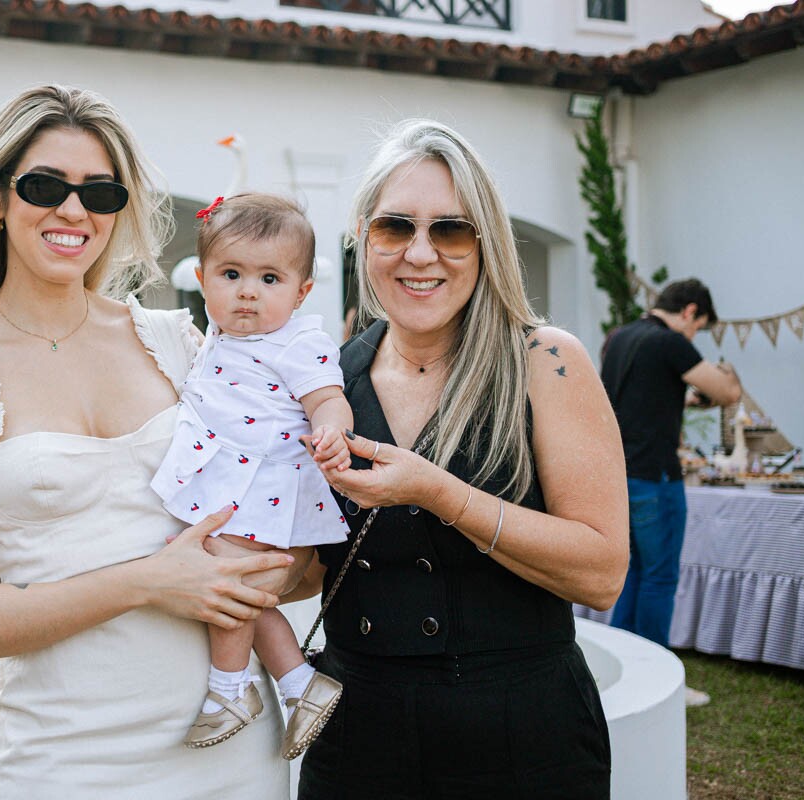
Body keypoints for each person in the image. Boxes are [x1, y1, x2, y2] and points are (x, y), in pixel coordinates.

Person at [0, 85, 296, 798]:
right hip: (66, 759)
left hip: (230, 746)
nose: (72, 211)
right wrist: (147, 581)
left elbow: (267, 510)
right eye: (45, 185)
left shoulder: (179, 344)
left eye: (100, 193)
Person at [294, 119, 630, 799]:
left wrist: (440, 494)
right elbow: (315, 562)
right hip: (358, 731)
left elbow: (602, 574)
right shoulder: (327, 377)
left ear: (485, 244)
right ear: (362, 233)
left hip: (521, 734)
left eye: (450, 230)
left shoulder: (545, 360)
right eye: (396, 227)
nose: (422, 254)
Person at [150, 193, 350, 758]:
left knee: (232, 589)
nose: (247, 292)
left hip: (264, 486)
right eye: (231, 274)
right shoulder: (217, 335)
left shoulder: (297, 341)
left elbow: (329, 398)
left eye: (269, 278)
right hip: (230, 485)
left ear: (301, 291)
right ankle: (299, 683)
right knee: (251, 595)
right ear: (203, 277)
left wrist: (332, 430)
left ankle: (230, 689)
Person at [600, 278, 741, 707]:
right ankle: (658, 684)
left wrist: (684, 400)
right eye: (698, 326)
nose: (694, 335)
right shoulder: (670, 342)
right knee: (659, 577)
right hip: (656, 478)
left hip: (618, 475)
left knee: (633, 576)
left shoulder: (619, 337)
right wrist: (728, 376)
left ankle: (620, 670)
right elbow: (727, 392)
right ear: (689, 311)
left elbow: (642, 398)